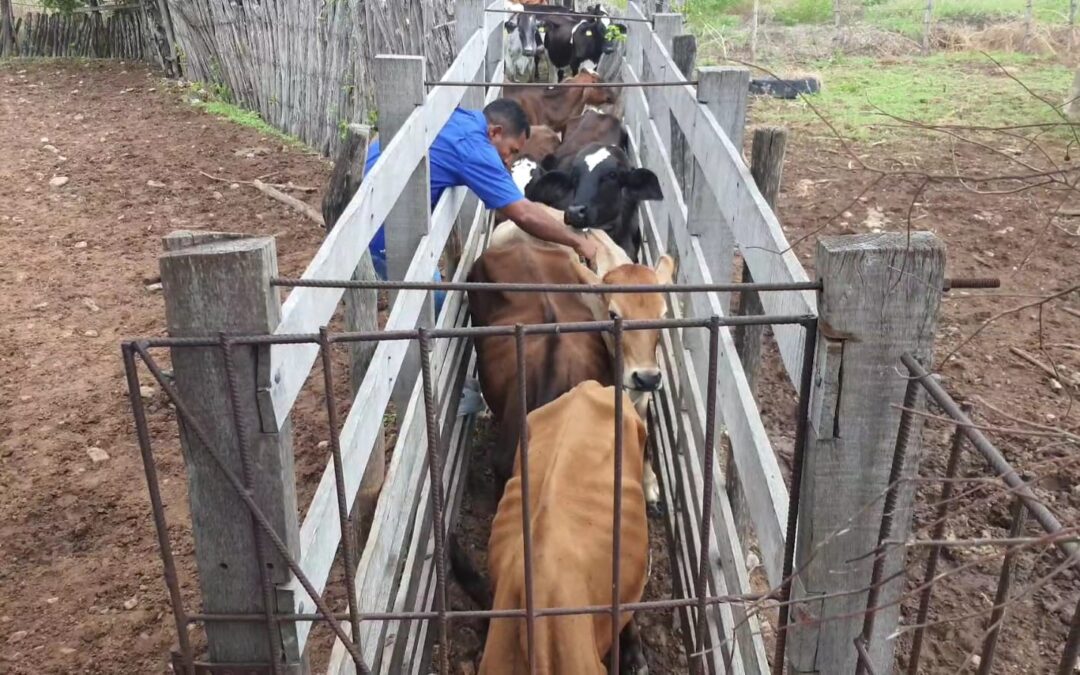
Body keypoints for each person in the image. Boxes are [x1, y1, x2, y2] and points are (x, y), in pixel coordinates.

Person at [363, 99, 598, 311]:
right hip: (385, 235)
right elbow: (524, 214)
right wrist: (575, 241)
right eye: (512, 151)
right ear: (495, 132)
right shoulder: (476, 150)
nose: (509, 160)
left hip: (370, 206)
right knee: (437, 305)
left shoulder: (459, 117)